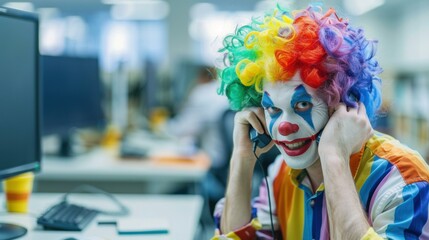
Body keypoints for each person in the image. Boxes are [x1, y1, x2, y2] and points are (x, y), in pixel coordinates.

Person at [212, 5, 429, 240]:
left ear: (343, 102)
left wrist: (333, 157)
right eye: (273, 109)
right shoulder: (280, 174)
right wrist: (242, 159)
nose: (284, 127)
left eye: (302, 105)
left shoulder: (404, 180)